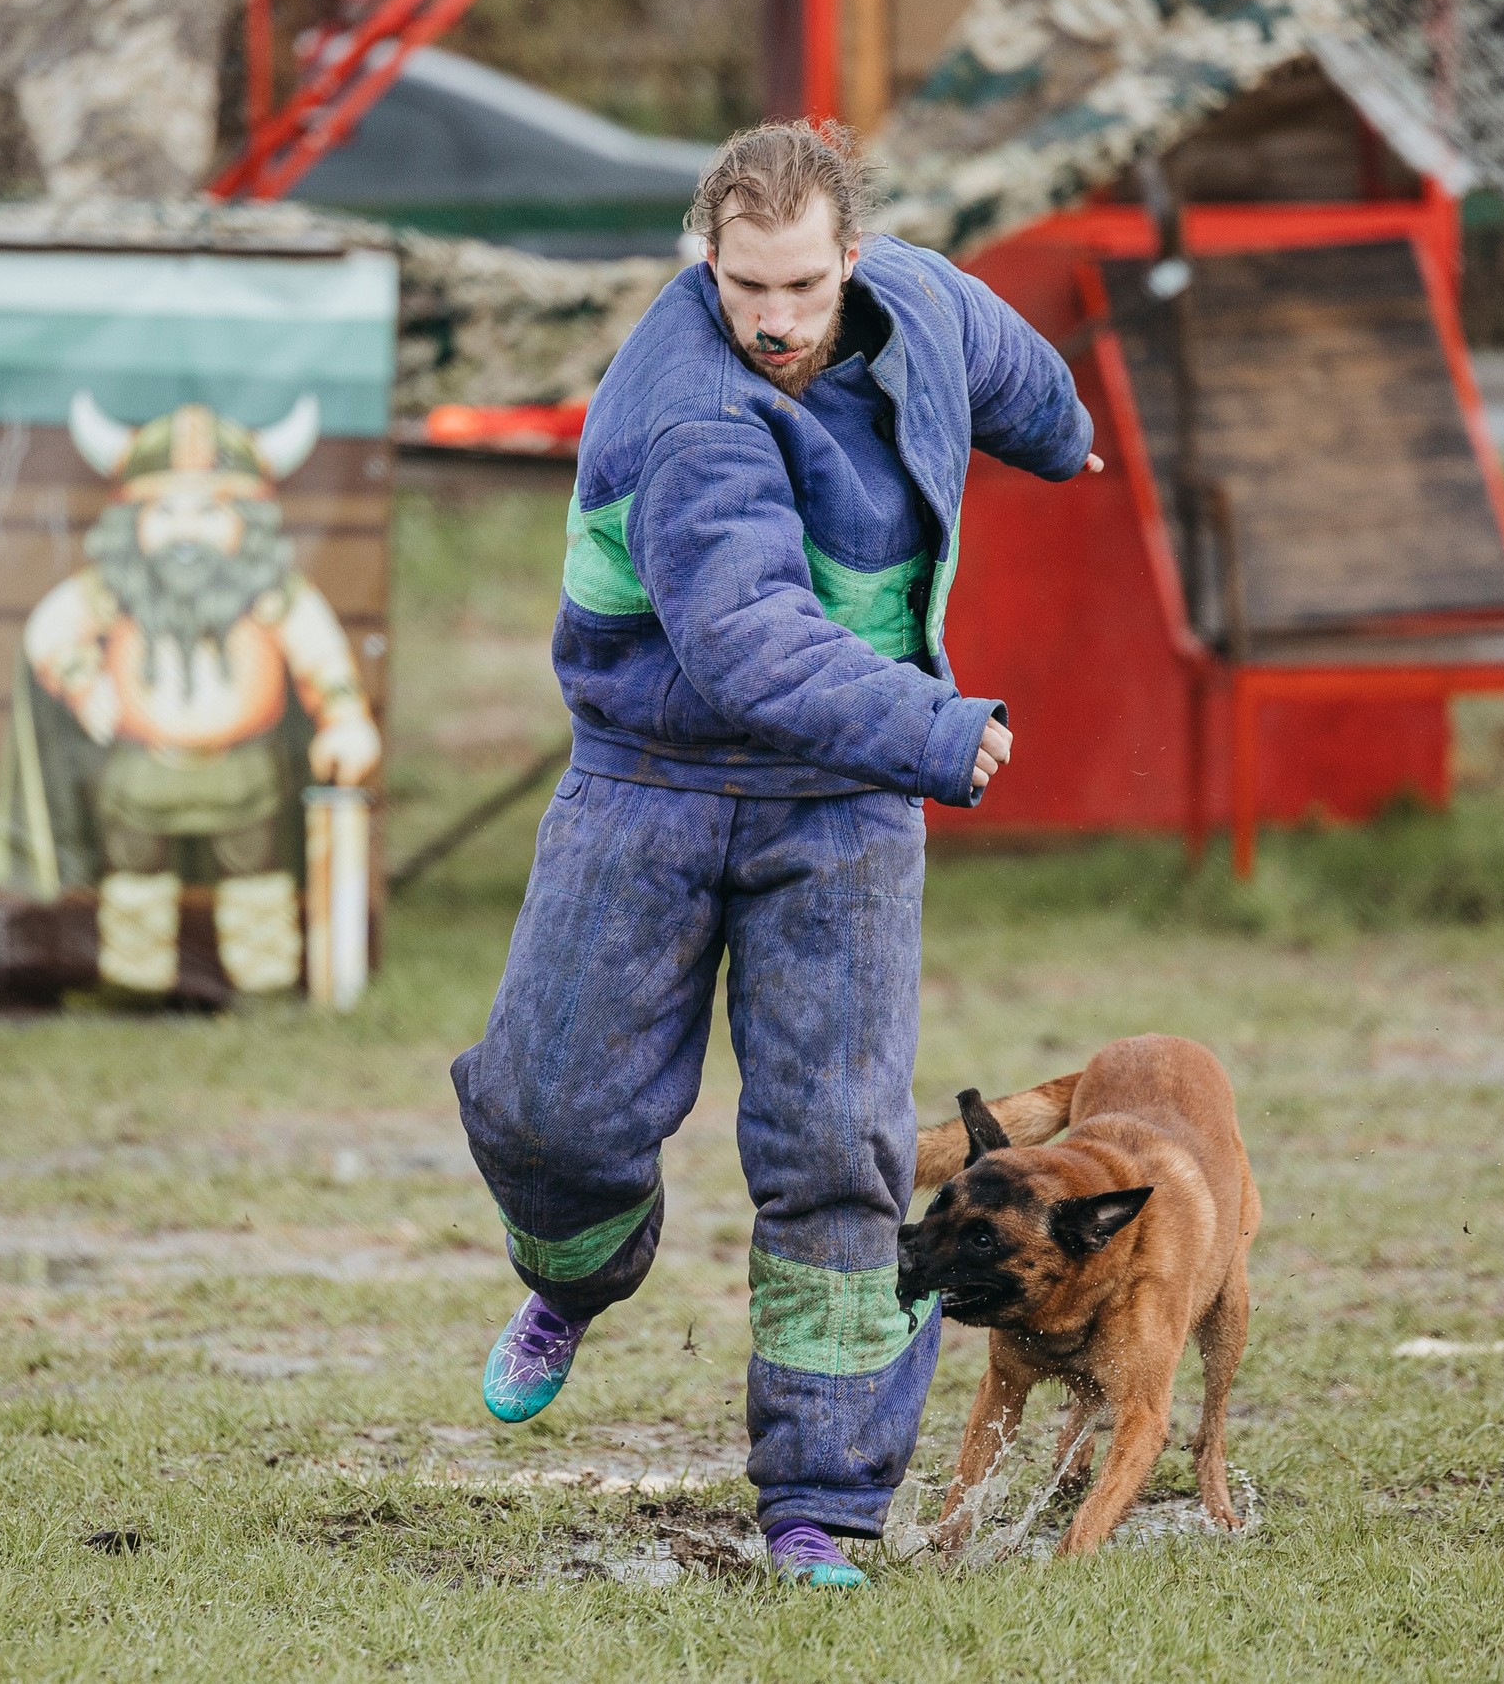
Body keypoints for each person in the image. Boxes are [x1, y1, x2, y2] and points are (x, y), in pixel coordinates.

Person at [452, 120, 1101, 1588]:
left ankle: (823, 1505)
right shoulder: (684, 411)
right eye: (747, 287)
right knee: (550, 1111)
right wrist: (931, 727)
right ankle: (574, 1271)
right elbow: (748, 647)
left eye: (804, 289)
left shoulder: (914, 302)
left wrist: (1060, 435)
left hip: (843, 803)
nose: (776, 322)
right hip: (655, 777)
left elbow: (991, 356)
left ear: (851, 263)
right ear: (711, 263)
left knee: (839, 1157)